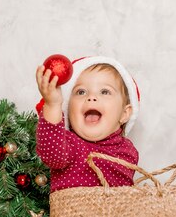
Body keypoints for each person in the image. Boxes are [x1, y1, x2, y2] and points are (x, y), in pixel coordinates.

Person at [35, 56, 140, 192]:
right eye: (81, 92)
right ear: (68, 110)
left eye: (105, 91)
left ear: (124, 114)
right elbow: (51, 153)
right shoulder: (69, 145)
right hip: (74, 212)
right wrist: (53, 104)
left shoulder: (129, 151)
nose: (91, 97)